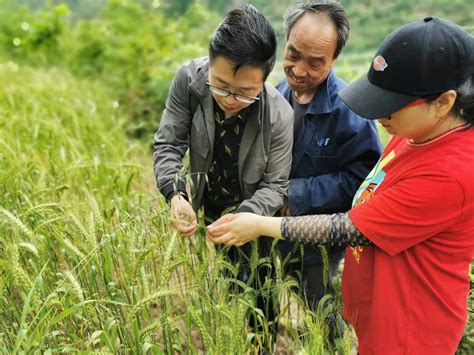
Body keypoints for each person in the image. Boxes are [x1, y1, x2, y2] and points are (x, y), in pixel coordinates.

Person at [208, 16, 474, 354]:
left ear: (444, 102)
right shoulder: (414, 135)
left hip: (409, 330)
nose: (379, 118)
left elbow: (349, 229)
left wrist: (261, 222)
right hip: (378, 313)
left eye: (390, 107)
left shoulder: (451, 173)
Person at [153, 4, 293, 340]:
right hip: (208, 200)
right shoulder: (188, 81)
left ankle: (263, 340)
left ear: (265, 77)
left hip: (252, 212)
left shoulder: (278, 115)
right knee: (227, 284)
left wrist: (245, 220)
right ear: (209, 63)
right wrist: (176, 194)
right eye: (220, 85)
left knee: (260, 286)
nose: (229, 99)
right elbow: (169, 145)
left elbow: (275, 185)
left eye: (245, 92)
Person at [276, 1, 382, 310]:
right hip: (270, 228)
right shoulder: (279, 91)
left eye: (314, 62)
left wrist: (293, 194)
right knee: (261, 302)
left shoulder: (348, 111)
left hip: (317, 241)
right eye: (293, 54)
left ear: (334, 59)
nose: (298, 70)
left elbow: (364, 182)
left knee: (318, 309)